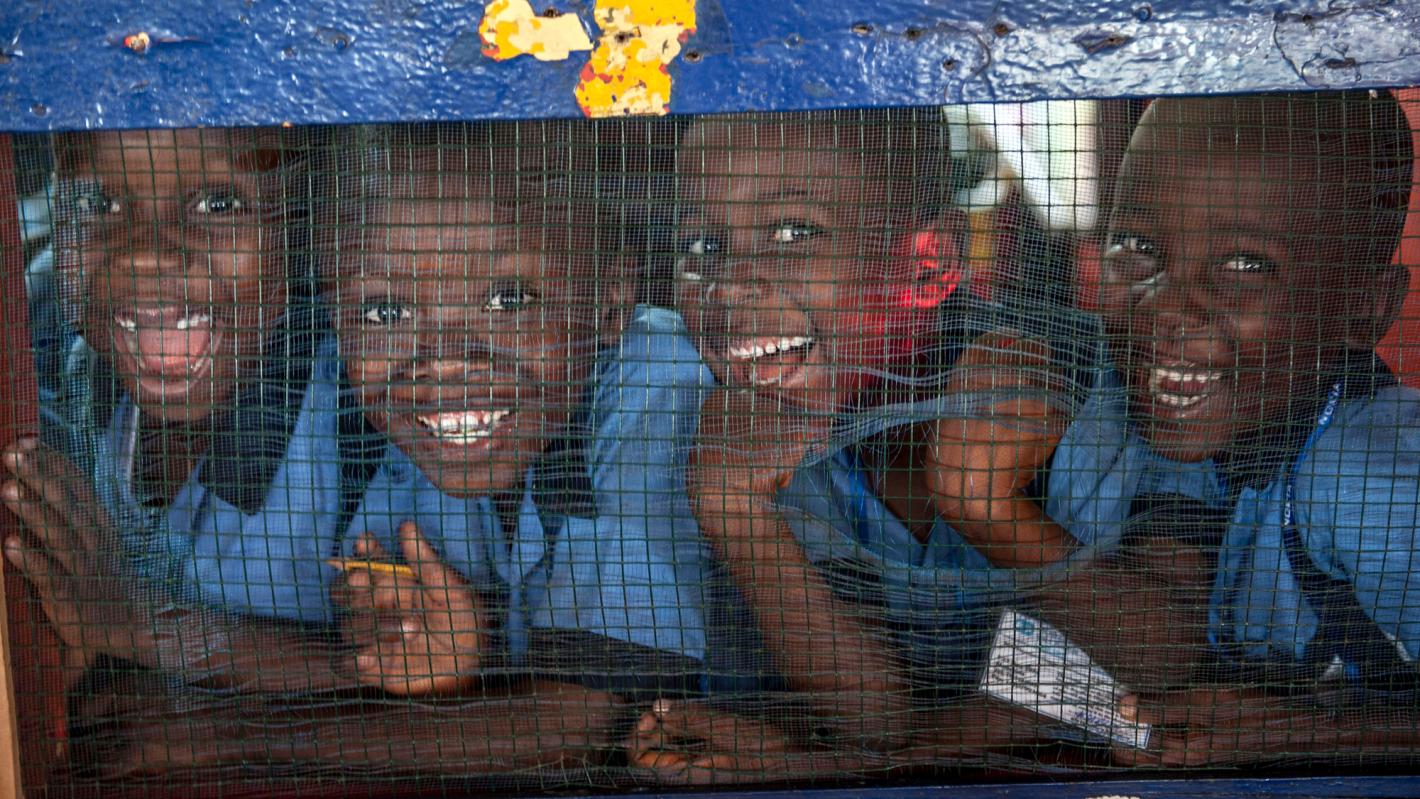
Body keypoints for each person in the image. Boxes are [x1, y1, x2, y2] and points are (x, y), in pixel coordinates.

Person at [622, 109, 1106, 782]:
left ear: (929, 263)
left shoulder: (1064, 387)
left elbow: (1135, 672)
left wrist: (985, 504)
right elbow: (871, 717)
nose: (728, 282)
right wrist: (735, 511)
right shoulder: (740, 428)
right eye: (703, 245)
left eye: (794, 232)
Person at [1042, 91, 1420, 766]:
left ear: (1364, 307)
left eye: (1244, 265)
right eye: (1137, 246)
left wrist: (1304, 731)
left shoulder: (1374, 481)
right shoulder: (1158, 415)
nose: (1167, 306)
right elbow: (1124, 668)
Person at [323, 122, 711, 702]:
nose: (447, 362)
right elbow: (396, 655)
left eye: (510, 300)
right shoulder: (381, 432)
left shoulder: (661, 381)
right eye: (384, 313)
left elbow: (593, 719)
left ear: (610, 300)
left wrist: (209, 744)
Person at [1, 127, 361, 697]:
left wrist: (140, 628)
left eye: (220, 204)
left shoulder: (366, 416)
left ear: (301, 226)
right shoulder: (44, 360)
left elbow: (443, 676)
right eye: (96, 204)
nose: (146, 253)